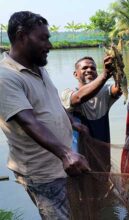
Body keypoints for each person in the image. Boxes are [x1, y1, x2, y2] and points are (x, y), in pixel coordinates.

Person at [0, 11, 90, 219]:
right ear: (22, 36)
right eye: (43, 38)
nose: (49, 45)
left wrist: (71, 122)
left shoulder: (38, 67)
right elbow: (28, 121)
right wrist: (66, 154)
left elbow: (52, 102)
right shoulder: (6, 77)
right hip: (43, 173)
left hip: (61, 164)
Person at [61, 56, 121, 172]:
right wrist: (105, 75)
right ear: (75, 74)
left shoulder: (104, 92)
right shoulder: (67, 94)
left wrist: (118, 68)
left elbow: (118, 89)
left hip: (102, 154)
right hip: (79, 155)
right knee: (82, 184)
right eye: (84, 68)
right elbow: (78, 98)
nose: (89, 70)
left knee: (102, 183)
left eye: (93, 68)